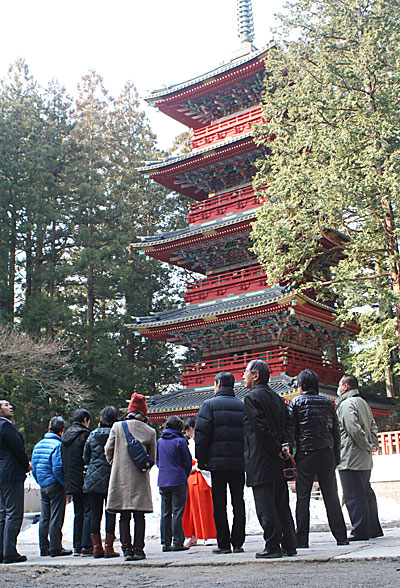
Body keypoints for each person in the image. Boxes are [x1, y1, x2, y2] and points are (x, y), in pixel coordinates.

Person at [243, 359, 297, 559]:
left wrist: (276, 448)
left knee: (265, 504)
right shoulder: (277, 397)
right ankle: (290, 544)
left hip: (261, 458)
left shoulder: (251, 399)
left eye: (246, 372)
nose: (243, 376)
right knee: (281, 503)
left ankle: (272, 545)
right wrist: (285, 447)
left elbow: (260, 429)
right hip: (279, 458)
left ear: (256, 375)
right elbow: (289, 424)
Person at [289, 369, 348, 548]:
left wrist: (292, 456)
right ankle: (341, 536)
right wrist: (336, 457)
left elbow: (291, 432)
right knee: (331, 496)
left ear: (300, 386)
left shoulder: (296, 402)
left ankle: (302, 540)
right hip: (326, 452)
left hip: (306, 454)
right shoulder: (327, 402)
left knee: (303, 497)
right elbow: (335, 432)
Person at [195, 371, 245, 555]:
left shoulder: (208, 405)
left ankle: (223, 543)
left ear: (217, 384)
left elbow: (202, 435)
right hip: (239, 463)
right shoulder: (242, 405)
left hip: (217, 463)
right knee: (238, 501)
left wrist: (201, 459)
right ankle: (238, 542)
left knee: (219, 503)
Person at [105, 393, 156, 561]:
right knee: (139, 515)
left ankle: (126, 549)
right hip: (140, 477)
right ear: (144, 412)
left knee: (124, 515)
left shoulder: (117, 427)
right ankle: (139, 549)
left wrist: (116, 463)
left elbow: (108, 449)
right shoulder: (150, 431)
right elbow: (152, 458)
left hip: (120, 476)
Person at [336, 374, 383, 541]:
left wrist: (365, 444)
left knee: (353, 495)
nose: (339, 388)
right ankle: (373, 528)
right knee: (365, 492)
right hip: (364, 456)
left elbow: (353, 429)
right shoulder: (363, 403)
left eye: (340, 385)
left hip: (350, 455)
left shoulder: (347, 404)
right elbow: (372, 426)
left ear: (346, 387)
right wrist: (372, 443)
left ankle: (360, 529)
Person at [31, 416, 72, 557]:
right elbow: (58, 467)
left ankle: (44, 547)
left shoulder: (38, 445)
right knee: (56, 516)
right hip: (55, 484)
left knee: (44, 517)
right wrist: (64, 484)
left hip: (43, 484)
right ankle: (56, 547)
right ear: (62, 431)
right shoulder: (57, 445)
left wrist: (40, 481)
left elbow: (34, 467)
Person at [83, 406, 120, 558]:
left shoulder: (93, 434)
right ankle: (109, 547)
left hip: (93, 478)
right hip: (112, 477)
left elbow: (85, 456)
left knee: (95, 514)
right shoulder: (117, 434)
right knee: (110, 512)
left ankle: (96, 547)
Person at [0, 399, 30, 564]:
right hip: (11, 473)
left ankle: (2, 550)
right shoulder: (5, 425)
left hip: (1, 475)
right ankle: (10, 551)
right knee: (14, 513)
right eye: (5, 405)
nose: (10, 406)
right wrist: (26, 465)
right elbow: (18, 447)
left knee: (3, 513)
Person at [157, 416, 192, 552]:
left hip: (163, 479)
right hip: (178, 479)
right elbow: (187, 462)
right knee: (177, 511)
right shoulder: (181, 441)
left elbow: (158, 461)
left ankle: (165, 542)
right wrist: (184, 474)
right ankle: (178, 541)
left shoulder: (160, 441)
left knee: (165, 512)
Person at [61, 408, 92, 556]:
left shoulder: (66, 436)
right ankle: (86, 545)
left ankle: (77, 545)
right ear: (85, 420)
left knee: (78, 512)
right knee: (87, 510)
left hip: (70, 479)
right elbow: (87, 456)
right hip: (83, 477)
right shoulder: (84, 435)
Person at [182, 418, 216, 547]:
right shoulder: (189, 443)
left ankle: (209, 535)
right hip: (191, 477)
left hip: (201, 476)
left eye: (189, 430)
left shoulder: (203, 440)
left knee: (205, 507)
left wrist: (196, 467)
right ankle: (193, 535)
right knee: (190, 510)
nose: (188, 433)